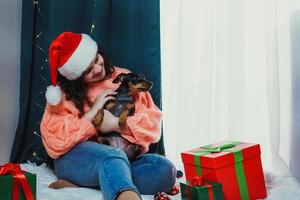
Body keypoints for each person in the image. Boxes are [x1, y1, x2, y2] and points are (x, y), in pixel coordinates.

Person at [40, 32, 176, 200]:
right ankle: (125, 195)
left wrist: (118, 124)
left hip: (125, 159)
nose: (98, 69)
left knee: (164, 169)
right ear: (76, 78)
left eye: (96, 59)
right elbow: (55, 143)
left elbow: (153, 123)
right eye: (88, 70)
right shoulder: (62, 95)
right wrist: (91, 115)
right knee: (112, 155)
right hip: (77, 161)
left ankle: (94, 181)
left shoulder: (123, 77)